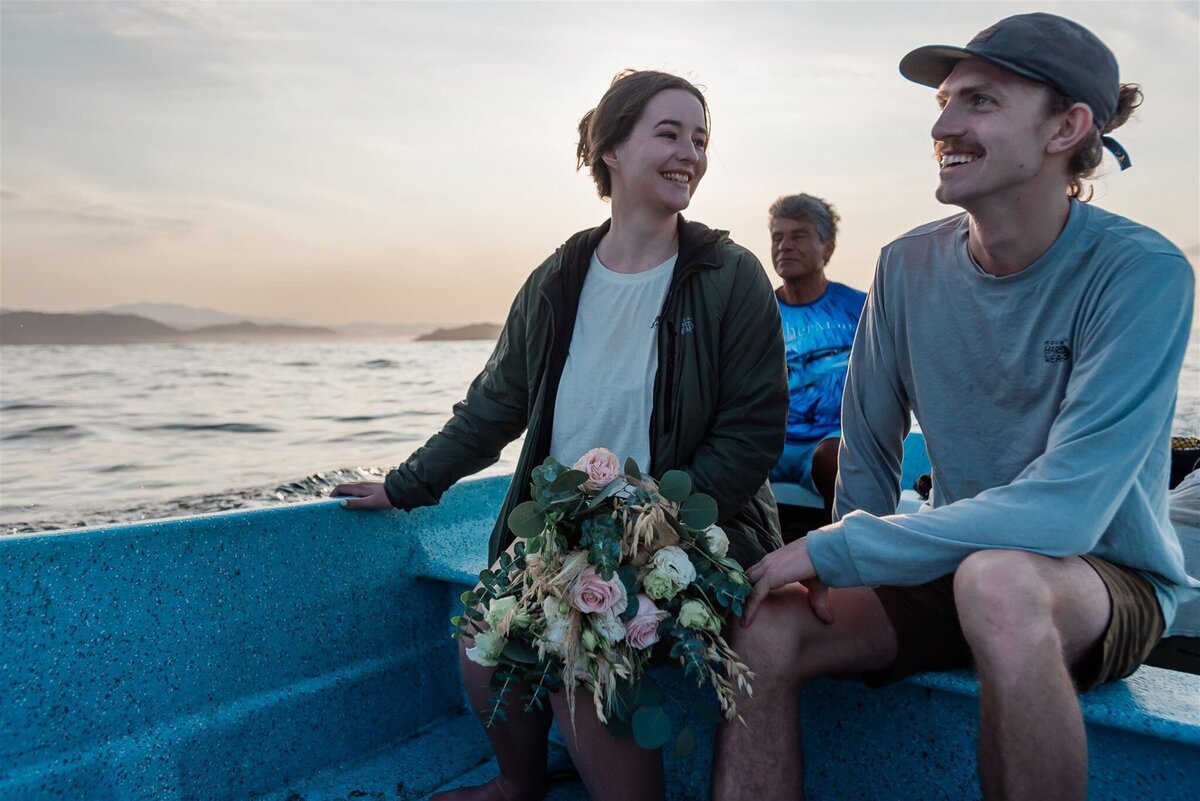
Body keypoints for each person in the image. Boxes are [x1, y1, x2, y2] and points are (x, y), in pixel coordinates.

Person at [713, 13, 1197, 801]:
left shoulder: (1140, 273)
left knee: (1000, 583)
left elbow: (1067, 511)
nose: (943, 124)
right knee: (768, 624)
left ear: (1066, 126)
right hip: (960, 563)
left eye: (978, 102)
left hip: (1104, 578)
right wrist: (835, 573)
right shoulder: (905, 266)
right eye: (943, 102)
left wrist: (838, 549)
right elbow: (866, 450)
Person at [334, 69, 787, 801]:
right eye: (669, 134)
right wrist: (405, 484)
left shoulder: (728, 275)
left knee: (581, 631)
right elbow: (493, 405)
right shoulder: (559, 277)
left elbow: (752, 432)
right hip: (567, 526)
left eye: (700, 139)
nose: (691, 154)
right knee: (482, 634)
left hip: (701, 526)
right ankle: (518, 784)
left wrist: (653, 526)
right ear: (611, 149)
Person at [767, 194, 866, 526]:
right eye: (777, 237)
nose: (785, 246)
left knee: (836, 459)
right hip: (768, 445)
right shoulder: (754, 310)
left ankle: (843, 563)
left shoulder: (860, 308)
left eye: (798, 236)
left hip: (828, 444)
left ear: (828, 247)